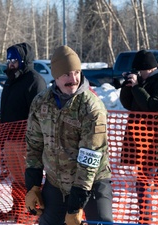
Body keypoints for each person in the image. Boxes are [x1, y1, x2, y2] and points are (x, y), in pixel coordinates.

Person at [25, 45, 113, 225]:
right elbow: (34, 144)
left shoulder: (91, 107)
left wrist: (75, 206)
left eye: (77, 72)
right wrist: (33, 186)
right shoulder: (41, 102)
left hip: (91, 182)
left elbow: (90, 159)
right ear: (56, 76)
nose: (73, 79)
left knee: (102, 222)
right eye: (66, 74)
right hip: (56, 182)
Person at [119, 50, 158, 224]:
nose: (137, 74)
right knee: (150, 183)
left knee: (150, 184)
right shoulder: (143, 83)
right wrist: (128, 86)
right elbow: (128, 103)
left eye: (138, 70)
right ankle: (151, 218)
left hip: (156, 144)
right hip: (141, 144)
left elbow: (155, 106)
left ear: (149, 69)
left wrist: (137, 87)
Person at [0, 42, 47, 222]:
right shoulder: (11, 80)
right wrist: (1, 138)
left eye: (14, 61)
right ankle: (18, 208)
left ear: (23, 61)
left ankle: (31, 211)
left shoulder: (34, 80)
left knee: (29, 178)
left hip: (27, 141)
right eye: (9, 60)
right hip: (10, 138)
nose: (10, 64)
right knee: (16, 178)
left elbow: (40, 113)